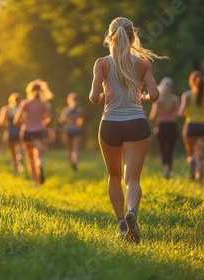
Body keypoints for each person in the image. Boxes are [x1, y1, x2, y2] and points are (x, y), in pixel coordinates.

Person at [89, 17, 166, 244]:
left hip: (110, 124)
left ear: (110, 37)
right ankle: (132, 211)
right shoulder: (143, 64)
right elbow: (155, 95)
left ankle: (122, 223)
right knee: (132, 179)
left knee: (114, 176)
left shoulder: (102, 63)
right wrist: (145, 96)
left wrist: (101, 94)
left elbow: (94, 98)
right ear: (133, 38)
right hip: (137, 124)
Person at [178, 71, 204, 183]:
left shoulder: (187, 95)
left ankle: (192, 172)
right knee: (201, 157)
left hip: (190, 126)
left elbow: (180, 113)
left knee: (191, 155)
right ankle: (200, 182)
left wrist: (189, 116)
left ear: (191, 82)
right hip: (203, 127)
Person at [13, 79, 53, 187]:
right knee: (39, 155)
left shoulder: (25, 103)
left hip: (27, 132)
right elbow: (50, 117)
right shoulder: (43, 104)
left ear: (29, 91)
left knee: (30, 158)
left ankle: (35, 183)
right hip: (39, 131)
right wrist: (44, 123)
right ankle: (40, 164)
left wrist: (25, 121)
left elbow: (16, 120)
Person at [149, 77, 180, 179]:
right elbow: (179, 114)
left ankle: (165, 168)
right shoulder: (175, 99)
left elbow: (152, 117)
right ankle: (169, 170)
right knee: (170, 151)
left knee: (163, 150)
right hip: (172, 127)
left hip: (161, 127)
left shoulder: (158, 100)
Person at [0, 92, 23, 174]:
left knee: (12, 152)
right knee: (20, 148)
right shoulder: (21, 108)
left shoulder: (6, 109)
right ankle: (20, 158)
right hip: (20, 132)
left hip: (10, 132)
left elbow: (0, 122)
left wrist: (7, 121)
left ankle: (15, 166)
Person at [58, 92, 84, 171]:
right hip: (77, 130)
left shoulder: (66, 110)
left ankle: (72, 163)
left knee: (69, 149)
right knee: (75, 148)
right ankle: (74, 162)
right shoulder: (79, 110)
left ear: (68, 100)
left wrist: (66, 120)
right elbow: (81, 121)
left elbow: (61, 121)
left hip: (68, 130)